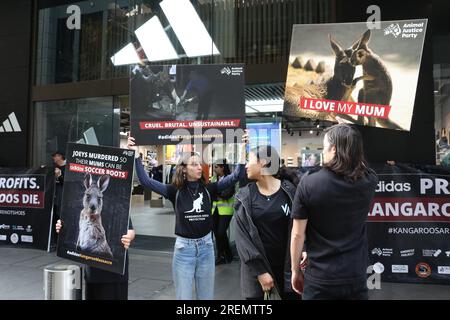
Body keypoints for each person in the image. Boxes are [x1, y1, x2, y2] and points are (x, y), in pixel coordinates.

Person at [128, 133, 247, 300]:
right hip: (184, 251)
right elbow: (146, 181)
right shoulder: (174, 190)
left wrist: (242, 149)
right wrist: (134, 155)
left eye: (199, 164)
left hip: (206, 248)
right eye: (193, 164)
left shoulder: (209, 189)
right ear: (183, 168)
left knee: (205, 298)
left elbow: (236, 176)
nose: (199, 167)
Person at [290, 123, 378, 300]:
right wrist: (350, 141)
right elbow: (361, 166)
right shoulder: (369, 181)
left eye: (324, 147)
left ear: (334, 149)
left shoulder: (309, 184)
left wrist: (295, 270)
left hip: (320, 278)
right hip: (356, 275)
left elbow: (297, 235)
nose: (322, 152)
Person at [234, 145, 304, 300]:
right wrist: (260, 272)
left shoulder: (290, 191)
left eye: (249, 160)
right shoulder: (245, 196)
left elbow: (300, 227)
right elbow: (242, 240)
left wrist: (304, 249)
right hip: (258, 276)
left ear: (263, 162)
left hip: (288, 271)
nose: (246, 165)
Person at [55, 219, 135, 300]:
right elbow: (76, 231)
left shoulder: (118, 207)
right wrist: (63, 228)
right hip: (92, 270)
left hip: (115, 272)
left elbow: (130, 230)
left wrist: (128, 237)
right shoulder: (85, 212)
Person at [211, 159, 235, 265]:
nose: (214, 169)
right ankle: (222, 255)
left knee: (221, 232)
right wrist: (218, 194)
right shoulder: (213, 179)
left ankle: (227, 254)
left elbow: (228, 194)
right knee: (217, 233)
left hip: (226, 210)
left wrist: (217, 194)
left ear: (222, 167)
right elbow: (211, 193)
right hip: (214, 209)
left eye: (216, 167)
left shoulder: (230, 179)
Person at [51, 151, 66, 245]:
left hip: (63, 198)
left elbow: (67, 182)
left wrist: (59, 176)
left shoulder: (67, 167)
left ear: (60, 156)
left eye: (54, 156)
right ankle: (55, 241)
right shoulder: (54, 167)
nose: (53, 158)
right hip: (54, 198)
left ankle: (62, 242)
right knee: (54, 219)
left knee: (61, 219)